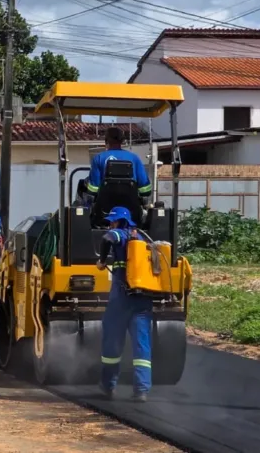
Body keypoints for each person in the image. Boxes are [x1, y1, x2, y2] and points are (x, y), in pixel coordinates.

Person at [96, 206, 153, 403]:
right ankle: (142, 390)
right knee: (141, 347)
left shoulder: (120, 234)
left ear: (120, 221)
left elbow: (107, 238)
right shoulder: (142, 239)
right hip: (143, 301)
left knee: (112, 342)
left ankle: (108, 385)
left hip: (121, 300)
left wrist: (102, 260)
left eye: (112, 220)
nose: (110, 224)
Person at [86, 127, 152, 203]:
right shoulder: (134, 158)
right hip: (131, 207)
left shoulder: (99, 158)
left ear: (106, 140)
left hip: (104, 207)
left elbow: (93, 190)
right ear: (122, 140)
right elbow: (145, 189)